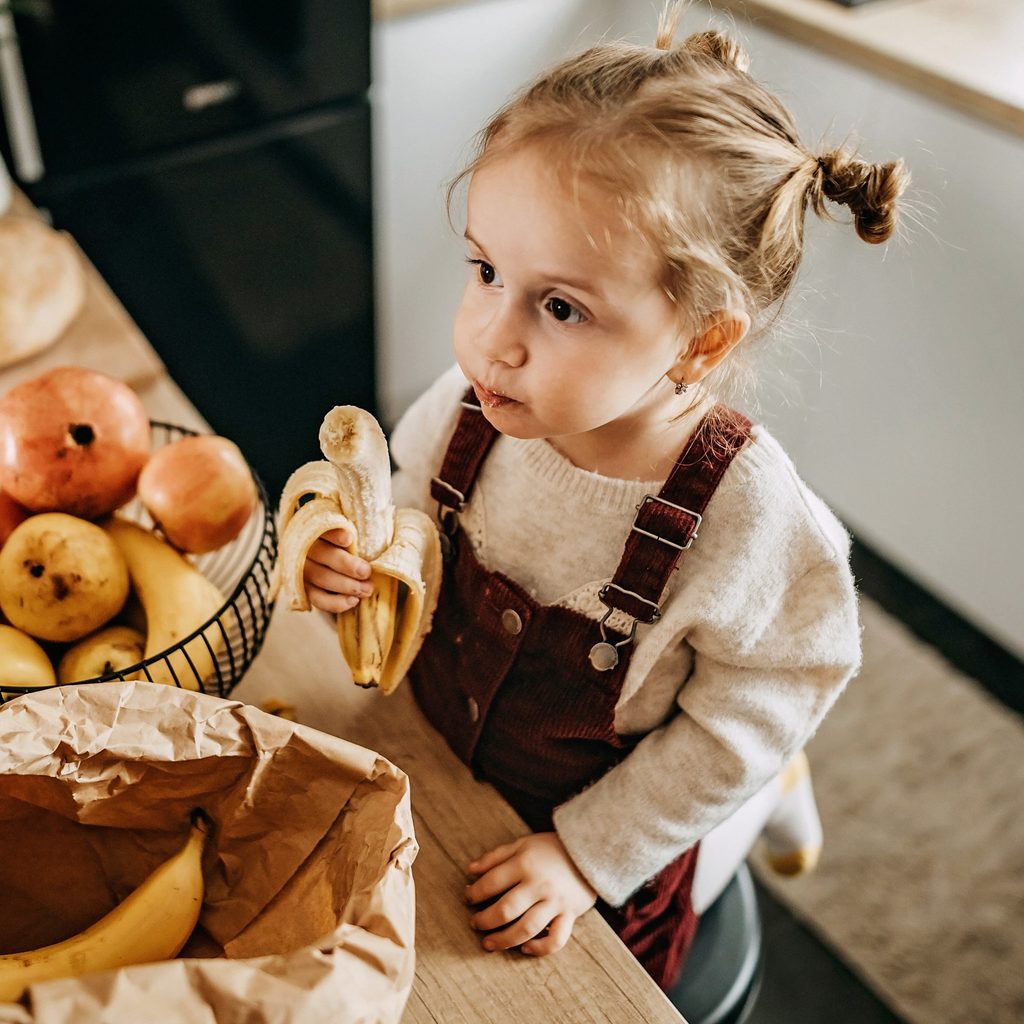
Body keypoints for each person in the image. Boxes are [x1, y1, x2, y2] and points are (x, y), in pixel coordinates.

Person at [300, 1, 908, 992]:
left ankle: (755, 814)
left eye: (559, 306)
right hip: (435, 763)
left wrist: (586, 855)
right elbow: (406, 533)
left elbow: (760, 701)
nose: (491, 338)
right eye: (485, 269)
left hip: (584, 853)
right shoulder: (465, 411)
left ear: (702, 341)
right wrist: (352, 569)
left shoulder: (748, 521)